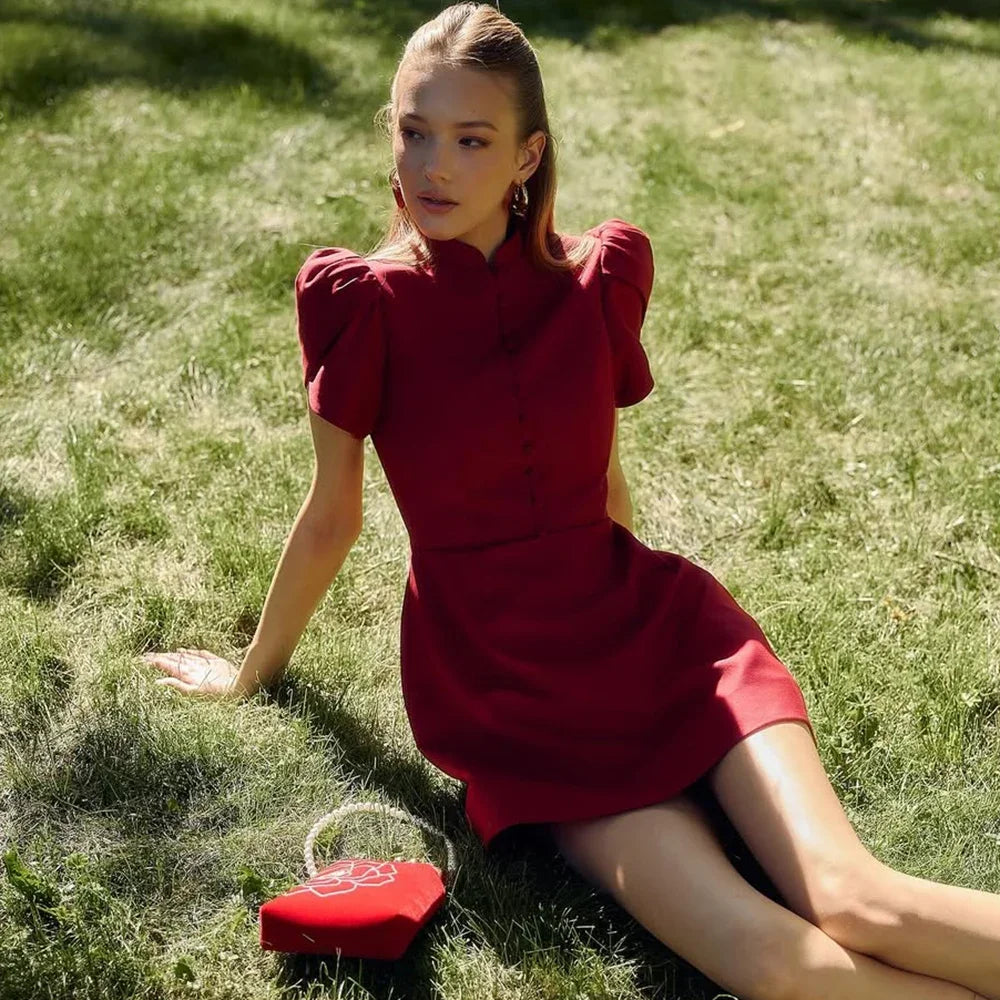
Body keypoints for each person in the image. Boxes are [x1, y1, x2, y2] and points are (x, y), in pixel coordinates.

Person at [142, 4, 999, 997]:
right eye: (414, 131)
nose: (434, 166)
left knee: (858, 899)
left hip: (668, 640)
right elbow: (335, 514)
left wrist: (625, 641)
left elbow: (600, 481)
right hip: (517, 701)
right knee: (770, 958)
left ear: (526, 156)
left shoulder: (598, 279)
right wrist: (251, 673)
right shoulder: (359, 303)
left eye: (471, 140)